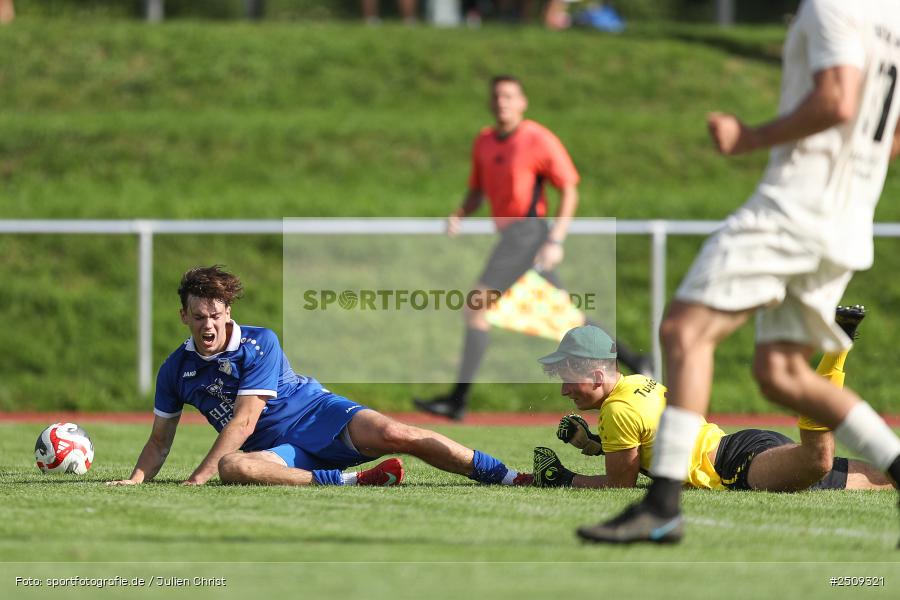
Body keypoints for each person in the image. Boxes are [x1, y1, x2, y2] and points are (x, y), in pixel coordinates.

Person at [579, 0, 900, 544]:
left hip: (793, 211)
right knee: (783, 373)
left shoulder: (831, 7)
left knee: (684, 331)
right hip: (848, 222)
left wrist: (747, 137)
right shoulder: (890, 17)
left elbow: (837, 100)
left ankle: (661, 508)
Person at [107, 266, 532, 488]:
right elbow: (160, 441)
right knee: (234, 467)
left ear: (228, 313)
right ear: (184, 316)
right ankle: (350, 481)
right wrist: (135, 479)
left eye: (216, 315)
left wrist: (196, 478)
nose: (209, 325)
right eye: (199, 316)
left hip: (319, 415)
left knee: (395, 432)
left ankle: (507, 476)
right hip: (279, 452)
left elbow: (244, 420)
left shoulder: (260, 343)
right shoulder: (174, 370)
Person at [414, 74, 651, 421]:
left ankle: (457, 401)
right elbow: (478, 189)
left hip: (528, 234)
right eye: (497, 96)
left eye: (510, 96)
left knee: (476, 307)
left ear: (523, 102)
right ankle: (638, 361)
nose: (502, 102)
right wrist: (460, 212)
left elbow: (569, 187)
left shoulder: (537, 139)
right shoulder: (484, 141)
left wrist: (556, 238)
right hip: (512, 237)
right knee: (568, 316)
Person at [530, 316, 893, 494]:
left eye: (567, 377)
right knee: (886, 478)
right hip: (745, 444)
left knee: (817, 461)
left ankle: (835, 354)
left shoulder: (618, 411)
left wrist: (564, 478)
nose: (564, 390)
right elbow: (650, 440)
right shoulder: (639, 383)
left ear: (596, 374)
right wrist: (593, 443)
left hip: (736, 467)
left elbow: (619, 484)